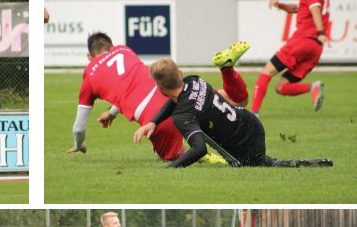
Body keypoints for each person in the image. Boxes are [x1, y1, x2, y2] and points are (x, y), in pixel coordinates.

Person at [68, 34, 248, 163]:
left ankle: (203, 156)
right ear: (111, 47)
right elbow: (132, 81)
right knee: (236, 100)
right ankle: (227, 69)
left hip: (154, 118)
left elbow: (79, 126)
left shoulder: (89, 76)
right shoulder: (123, 49)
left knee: (169, 155)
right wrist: (113, 112)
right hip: (179, 94)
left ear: (89, 57)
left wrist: (79, 143)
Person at [134, 57, 333, 169]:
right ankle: (301, 163)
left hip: (241, 147)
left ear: (160, 89)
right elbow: (177, 98)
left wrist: (171, 168)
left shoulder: (183, 117)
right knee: (265, 162)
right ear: (179, 74)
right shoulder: (195, 80)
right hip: (250, 122)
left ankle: (297, 165)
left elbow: (199, 149)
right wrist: (153, 122)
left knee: (257, 165)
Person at [251, 0, 330, 115]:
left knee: (267, 71)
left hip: (302, 41)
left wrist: (320, 32)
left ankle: (253, 115)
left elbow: (315, 9)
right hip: (316, 48)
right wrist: (280, 5)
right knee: (280, 87)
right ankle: (312, 87)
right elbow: (300, 8)